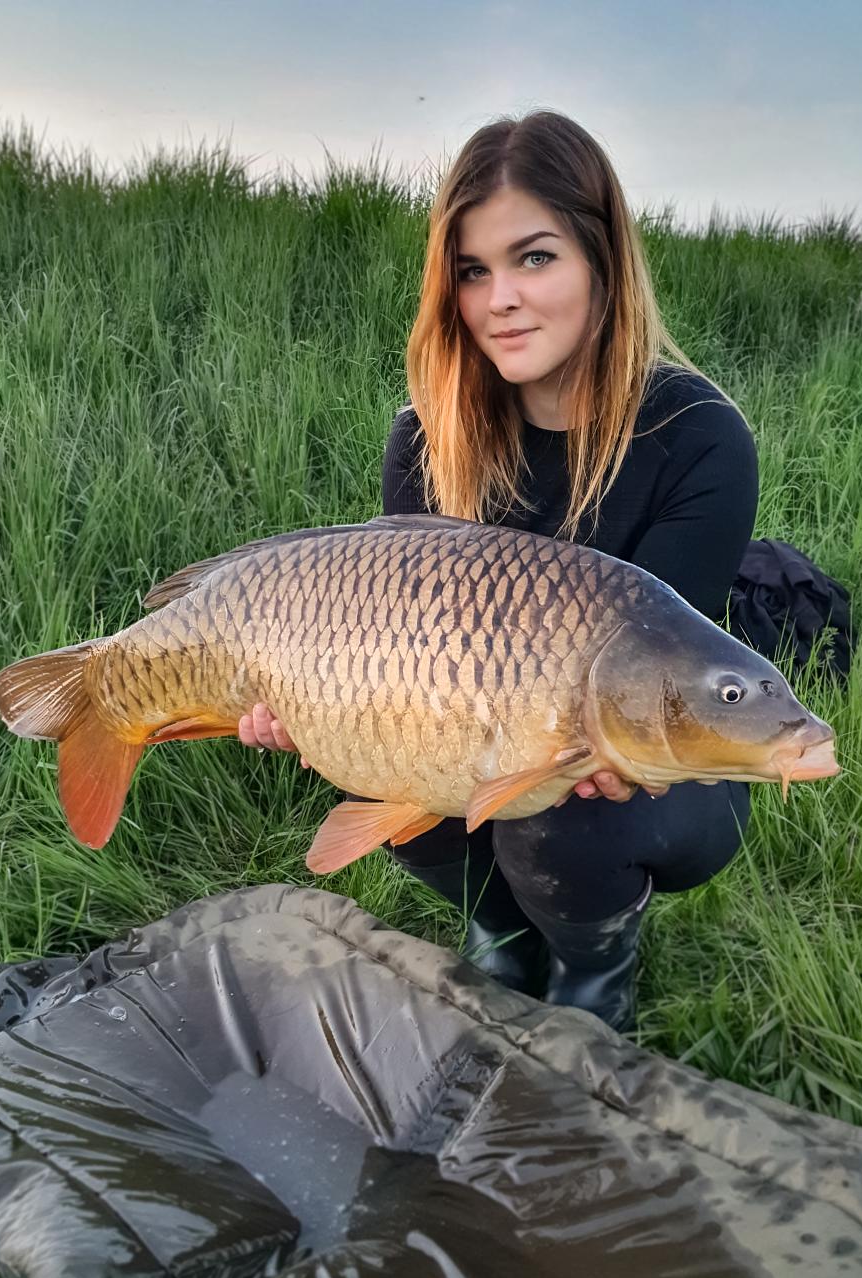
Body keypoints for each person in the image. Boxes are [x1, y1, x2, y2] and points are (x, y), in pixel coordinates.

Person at [238, 110, 758, 1035]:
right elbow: (391, 646)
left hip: (653, 755)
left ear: (602, 259)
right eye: (473, 271)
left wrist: (585, 746)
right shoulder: (425, 437)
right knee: (377, 737)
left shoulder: (700, 438)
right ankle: (501, 929)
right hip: (471, 726)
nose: (500, 299)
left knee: (561, 805)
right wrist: (312, 696)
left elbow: (667, 674)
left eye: (534, 258)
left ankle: (593, 964)